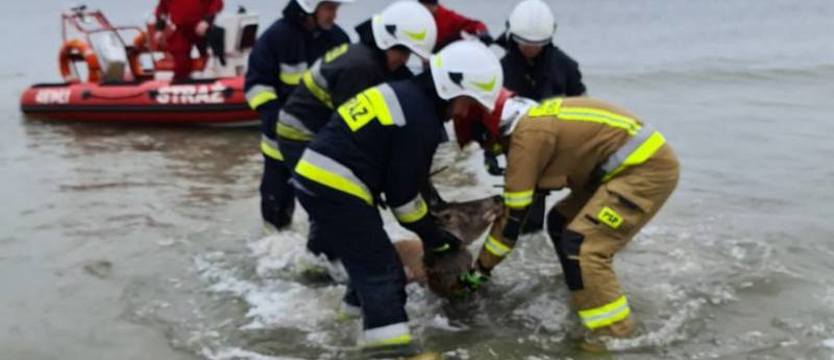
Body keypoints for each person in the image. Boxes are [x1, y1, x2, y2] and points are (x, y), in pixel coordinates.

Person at [291, 41, 503, 357]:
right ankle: (390, 350)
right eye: (467, 101)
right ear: (449, 88)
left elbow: (402, 180)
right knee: (384, 271)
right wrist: (436, 237)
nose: (464, 111)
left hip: (320, 177)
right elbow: (403, 201)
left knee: (366, 259)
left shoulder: (406, 95)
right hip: (335, 185)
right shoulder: (419, 119)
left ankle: (346, 324)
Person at [456, 93, 679, 350]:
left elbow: (513, 219)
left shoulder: (527, 136)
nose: (497, 153)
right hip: (621, 170)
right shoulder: (535, 122)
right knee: (560, 222)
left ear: (491, 130)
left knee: (583, 246)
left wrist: (479, 272)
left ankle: (613, 336)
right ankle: (585, 295)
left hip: (646, 171)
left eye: (491, 147)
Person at [274, 1, 437, 232]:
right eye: (402, 52)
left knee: (338, 202)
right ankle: (322, 254)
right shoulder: (361, 69)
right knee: (332, 198)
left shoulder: (373, 59)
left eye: (408, 53)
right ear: (385, 43)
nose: (404, 59)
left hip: (316, 128)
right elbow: (352, 133)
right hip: (299, 134)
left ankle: (323, 251)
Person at [244, 0, 351, 231]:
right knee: (276, 208)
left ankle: (320, 253)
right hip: (279, 145)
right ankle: (274, 253)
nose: (334, 15)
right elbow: (257, 86)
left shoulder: (338, 39)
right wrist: (275, 121)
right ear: (309, 7)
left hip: (322, 143)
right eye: (329, 8)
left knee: (325, 208)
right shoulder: (275, 38)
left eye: (336, 8)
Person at [493, 0, 588, 233]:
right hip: (518, 145)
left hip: (558, 142)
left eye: (537, 44)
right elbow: (491, 114)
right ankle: (526, 256)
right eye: (524, 43)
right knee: (525, 214)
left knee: (580, 200)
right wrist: (490, 152)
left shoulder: (565, 66)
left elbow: (585, 107)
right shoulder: (500, 70)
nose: (530, 49)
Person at [154, 0, 224, 81]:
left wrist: (206, 21)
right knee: (179, 54)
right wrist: (159, 29)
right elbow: (162, 11)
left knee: (209, 56)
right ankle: (180, 82)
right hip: (181, 30)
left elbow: (216, 3)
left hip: (202, 29)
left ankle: (213, 79)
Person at [418, 0, 491, 51]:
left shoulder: (450, 18)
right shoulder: (420, 18)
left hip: (450, 57)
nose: (421, 10)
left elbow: (476, 24)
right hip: (430, 58)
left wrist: (483, 33)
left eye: (422, 7)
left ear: (430, 6)